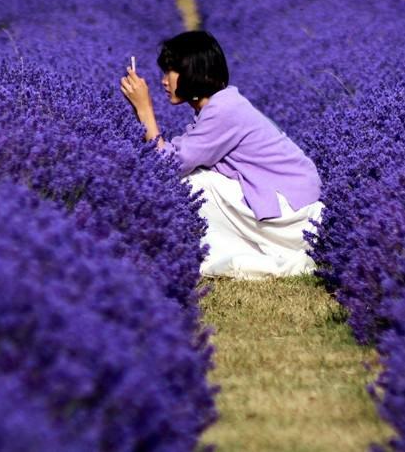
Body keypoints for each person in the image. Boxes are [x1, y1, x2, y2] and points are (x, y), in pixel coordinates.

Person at [118, 30, 325, 280]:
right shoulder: (219, 105)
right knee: (196, 180)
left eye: (170, 71)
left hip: (291, 214)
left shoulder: (224, 110)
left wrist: (145, 109)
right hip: (288, 202)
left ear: (193, 71)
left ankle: (211, 252)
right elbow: (172, 153)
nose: (164, 81)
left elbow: (167, 165)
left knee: (194, 184)